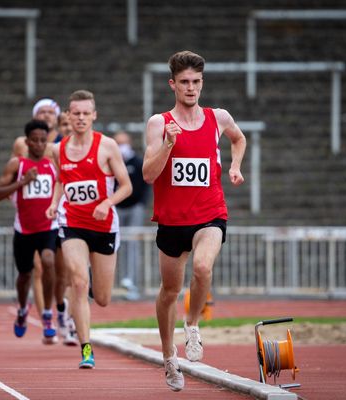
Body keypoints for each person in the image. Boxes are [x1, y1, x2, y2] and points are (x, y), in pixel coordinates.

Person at [142, 50, 246, 391]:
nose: (191, 88)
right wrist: (168, 145)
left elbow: (239, 138)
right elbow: (148, 174)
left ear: (202, 83)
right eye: (184, 82)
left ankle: (192, 326)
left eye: (196, 82)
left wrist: (234, 166)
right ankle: (169, 357)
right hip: (172, 221)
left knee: (202, 269)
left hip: (209, 213)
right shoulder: (159, 123)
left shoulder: (218, 118)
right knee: (169, 290)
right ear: (172, 84)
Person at [46, 90, 132, 369]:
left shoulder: (107, 146)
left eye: (86, 113)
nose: (81, 118)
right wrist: (54, 202)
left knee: (104, 298)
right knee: (79, 283)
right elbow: (62, 179)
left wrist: (107, 202)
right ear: (68, 116)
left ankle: (90, 284)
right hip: (73, 223)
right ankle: (86, 348)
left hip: (104, 225)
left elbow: (127, 186)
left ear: (94, 115)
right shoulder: (59, 149)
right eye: (76, 113)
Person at [10, 99, 77, 345]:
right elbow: (15, 172)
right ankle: (45, 320)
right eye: (42, 112)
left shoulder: (64, 142)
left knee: (64, 273)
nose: (47, 115)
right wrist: (15, 198)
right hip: (34, 217)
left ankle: (63, 316)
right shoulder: (22, 143)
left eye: (51, 112)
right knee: (38, 269)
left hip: (60, 214)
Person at [0, 119, 59, 344]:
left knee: (49, 261)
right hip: (24, 229)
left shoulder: (53, 165)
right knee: (25, 276)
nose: (39, 144)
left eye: (43, 140)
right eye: (35, 140)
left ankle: (47, 314)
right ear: (27, 141)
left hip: (48, 226)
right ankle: (22, 309)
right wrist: (22, 182)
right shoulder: (17, 165)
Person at [114, 130, 149, 300]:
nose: (121, 147)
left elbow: (145, 184)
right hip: (117, 207)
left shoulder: (137, 162)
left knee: (132, 245)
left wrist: (140, 204)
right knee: (114, 243)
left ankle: (131, 282)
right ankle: (114, 281)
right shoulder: (112, 163)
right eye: (118, 143)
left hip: (134, 207)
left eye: (123, 143)